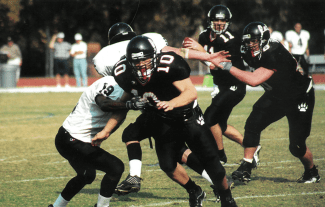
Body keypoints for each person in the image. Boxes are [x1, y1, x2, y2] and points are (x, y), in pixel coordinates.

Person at [97, 23, 233, 203]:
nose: (141, 67)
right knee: (168, 165)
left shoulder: (169, 65)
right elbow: (122, 105)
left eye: (144, 61)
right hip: (162, 120)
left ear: (154, 57)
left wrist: (172, 103)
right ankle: (194, 191)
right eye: (136, 63)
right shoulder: (125, 73)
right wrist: (106, 131)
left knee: (212, 163)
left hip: (188, 117)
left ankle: (227, 198)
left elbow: (191, 93)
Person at [210, 22, 320, 184]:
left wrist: (226, 66)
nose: (250, 44)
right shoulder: (245, 48)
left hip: (299, 96)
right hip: (276, 94)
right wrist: (208, 57)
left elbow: (254, 80)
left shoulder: (274, 52)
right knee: (253, 123)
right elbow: (230, 53)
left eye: (254, 41)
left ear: (263, 40)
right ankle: (246, 166)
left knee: (296, 145)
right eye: (248, 41)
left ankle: (311, 172)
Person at [182, 5, 261, 166]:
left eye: (222, 20)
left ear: (228, 22)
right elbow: (208, 60)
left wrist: (199, 51)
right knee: (220, 124)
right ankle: (252, 147)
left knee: (209, 118)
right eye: (216, 20)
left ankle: (220, 156)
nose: (219, 23)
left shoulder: (231, 39)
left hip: (235, 85)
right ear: (210, 21)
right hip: (220, 85)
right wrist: (201, 52)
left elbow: (217, 64)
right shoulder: (204, 36)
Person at [48, 74, 130, 207]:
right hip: (73, 139)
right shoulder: (110, 83)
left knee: (86, 175)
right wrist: (130, 104)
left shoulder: (127, 87)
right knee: (115, 167)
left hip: (69, 137)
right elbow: (104, 103)